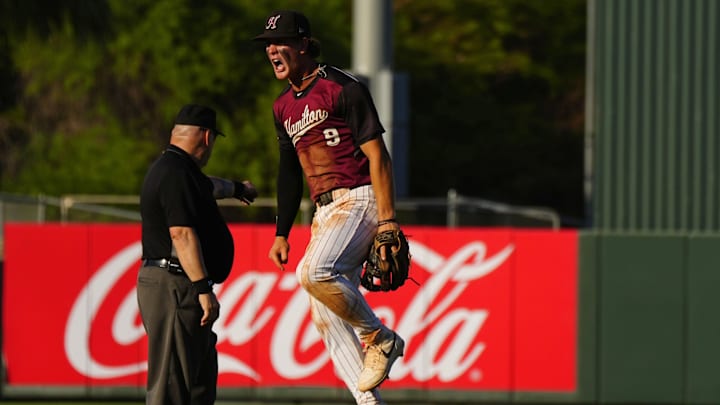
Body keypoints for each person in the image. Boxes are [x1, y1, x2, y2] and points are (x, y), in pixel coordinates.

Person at [254, 10, 405, 405]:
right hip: (325, 212)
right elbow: (289, 173)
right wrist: (281, 232)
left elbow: (379, 156)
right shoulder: (282, 105)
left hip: (358, 197)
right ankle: (368, 402)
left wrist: (388, 219)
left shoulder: (342, 87)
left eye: (280, 41)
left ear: (303, 44)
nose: (272, 49)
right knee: (325, 313)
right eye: (268, 44)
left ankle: (379, 337)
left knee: (314, 272)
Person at [137, 103, 257, 405]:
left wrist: (236, 188)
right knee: (171, 387)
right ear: (207, 138)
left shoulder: (178, 169)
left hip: (177, 283)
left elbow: (209, 187)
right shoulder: (175, 173)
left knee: (198, 384)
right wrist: (203, 289)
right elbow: (181, 234)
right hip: (175, 284)